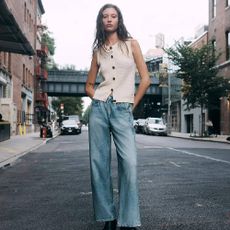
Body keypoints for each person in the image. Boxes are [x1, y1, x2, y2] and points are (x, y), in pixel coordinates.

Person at [85, 4, 150, 230]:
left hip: (123, 109)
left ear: (119, 20)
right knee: (98, 164)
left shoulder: (132, 44)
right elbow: (89, 85)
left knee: (130, 163)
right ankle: (108, 218)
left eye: (113, 16)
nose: (109, 20)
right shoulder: (98, 50)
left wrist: (131, 104)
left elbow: (145, 79)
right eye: (105, 16)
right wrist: (99, 100)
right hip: (100, 110)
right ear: (101, 21)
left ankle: (128, 220)